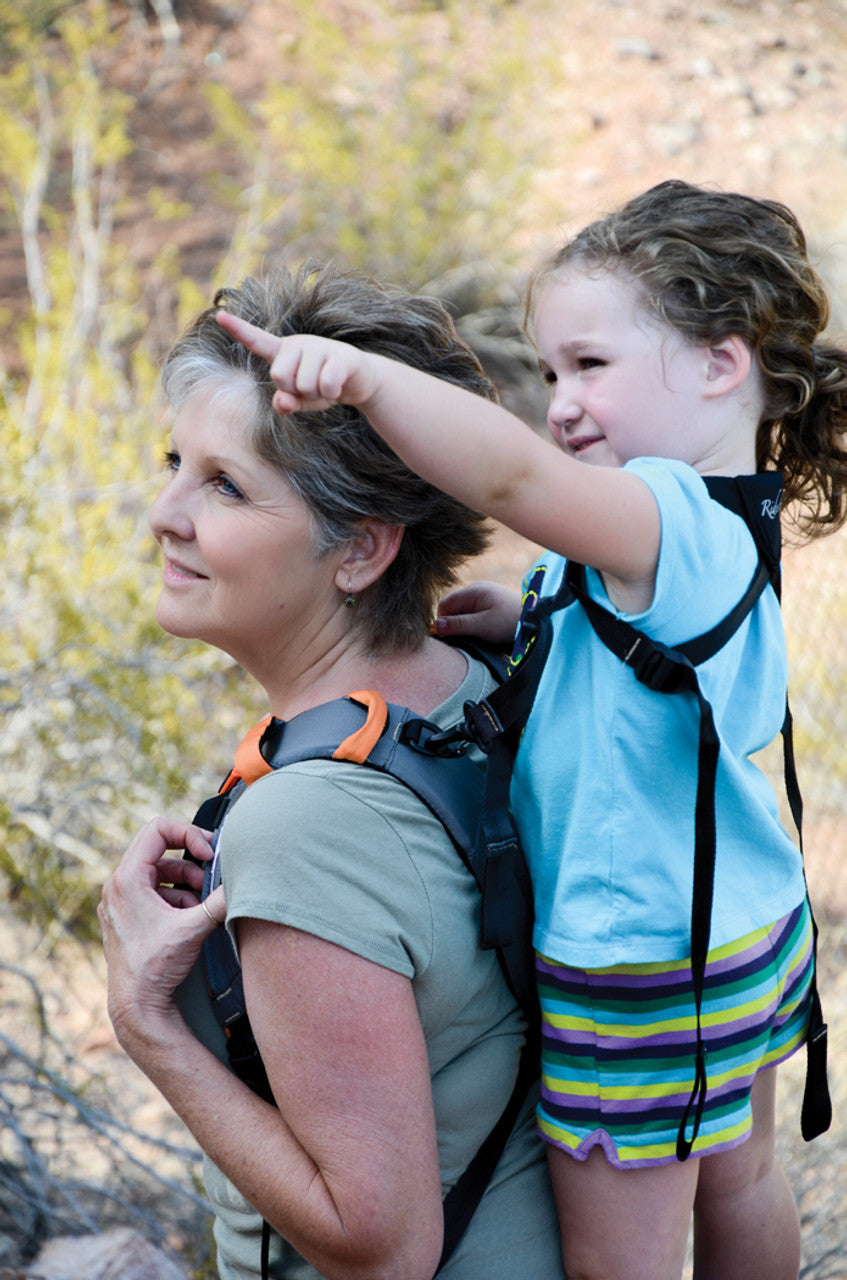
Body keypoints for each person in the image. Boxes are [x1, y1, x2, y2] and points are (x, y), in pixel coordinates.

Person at [215, 180, 847, 1280]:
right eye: (549, 372)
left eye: (588, 365)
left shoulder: (660, 515)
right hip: (739, 921)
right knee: (741, 1176)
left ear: (719, 362)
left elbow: (512, 477)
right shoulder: (704, 524)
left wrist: (367, 377)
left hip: (639, 954)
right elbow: (658, 668)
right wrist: (533, 620)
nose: (559, 402)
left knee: (621, 1256)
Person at [98, 262, 569, 1280]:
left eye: (222, 483)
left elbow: (380, 1243)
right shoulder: (493, 676)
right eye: (173, 462)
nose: (163, 513)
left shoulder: (310, 821)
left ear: (359, 548)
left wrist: (148, 1024)